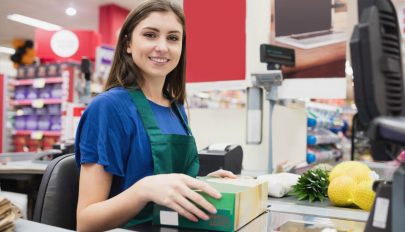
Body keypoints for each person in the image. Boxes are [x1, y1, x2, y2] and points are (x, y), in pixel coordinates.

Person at [74, 0, 236, 231]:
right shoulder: (108, 108)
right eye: (150, 35)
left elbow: (165, 185)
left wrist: (200, 185)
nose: (162, 47)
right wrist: (144, 189)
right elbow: (86, 222)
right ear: (128, 44)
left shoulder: (176, 107)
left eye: (173, 38)